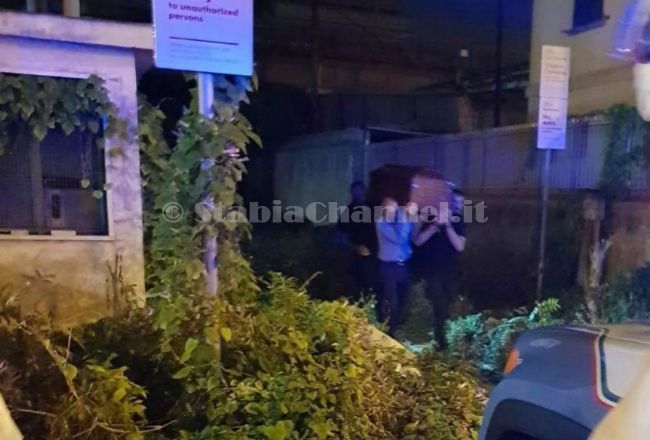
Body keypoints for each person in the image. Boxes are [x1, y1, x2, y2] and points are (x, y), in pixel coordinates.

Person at [414, 189, 467, 349]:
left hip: (450, 269)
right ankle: (440, 338)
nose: (458, 206)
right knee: (439, 303)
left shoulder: (459, 221)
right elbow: (418, 241)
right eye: (455, 202)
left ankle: (441, 332)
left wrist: (448, 226)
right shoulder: (431, 217)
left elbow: (460, 246)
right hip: (433, 269)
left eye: (461, 203)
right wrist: (434, 226)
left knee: (449, 301)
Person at [375, 197, 417, 337]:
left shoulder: (399, 220)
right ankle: (391, 332)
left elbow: (411, 234)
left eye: (395, 207)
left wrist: (409, 215)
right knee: (393, 301)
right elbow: (400, 239)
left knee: (404, 298)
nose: (394, 211)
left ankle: (396, 325)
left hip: (403, 266)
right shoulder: (381, 223)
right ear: (384, 209)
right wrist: (406, 217)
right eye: (391, 208)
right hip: (388, 268)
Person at [338, 181, 377, 299]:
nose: (359, 194)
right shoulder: (348, 211)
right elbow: (341, 235)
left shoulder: (374, 208)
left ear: (365, 191)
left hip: (376, 253)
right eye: (355, 191)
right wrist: (355, 248)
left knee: (374, 284)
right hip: (357, 255)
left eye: (361, 191)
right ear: (351, 193)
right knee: (360, 285)